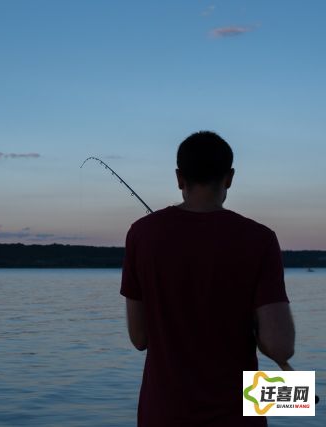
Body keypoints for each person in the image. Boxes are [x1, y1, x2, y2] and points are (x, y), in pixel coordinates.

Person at [121, 131, 295, 427]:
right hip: (238, 415)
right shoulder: (260, 239)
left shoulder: (141, 233)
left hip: (162, 414)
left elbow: (139, 339)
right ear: (229, 177)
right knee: (297, 397)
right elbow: (281, 347)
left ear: (179, 178)